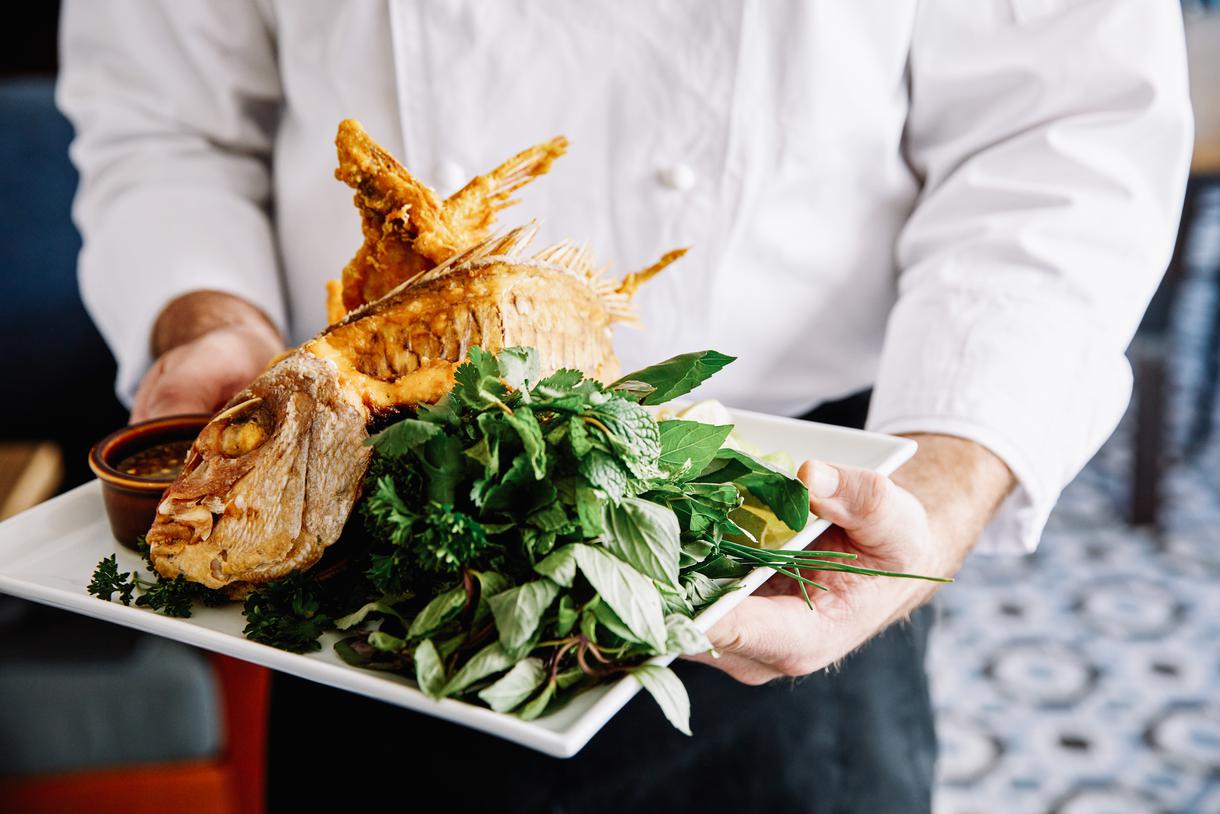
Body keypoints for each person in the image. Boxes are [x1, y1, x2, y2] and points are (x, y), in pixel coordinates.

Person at [57, 2, 1192, 811]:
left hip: (785, 517)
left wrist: (934, 491)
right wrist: (212, 329)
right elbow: (169, 122)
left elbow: (1060, 133)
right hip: (354, 547)